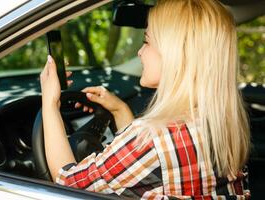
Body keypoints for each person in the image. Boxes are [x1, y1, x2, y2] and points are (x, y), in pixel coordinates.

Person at [40, 0, 251, 199]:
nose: (140, 52)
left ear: (177, 54)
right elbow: (152, 171)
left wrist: (50, 104)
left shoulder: (152, 139)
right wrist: (119, 110)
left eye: (147, 41)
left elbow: (68, 185)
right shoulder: (222, 124)